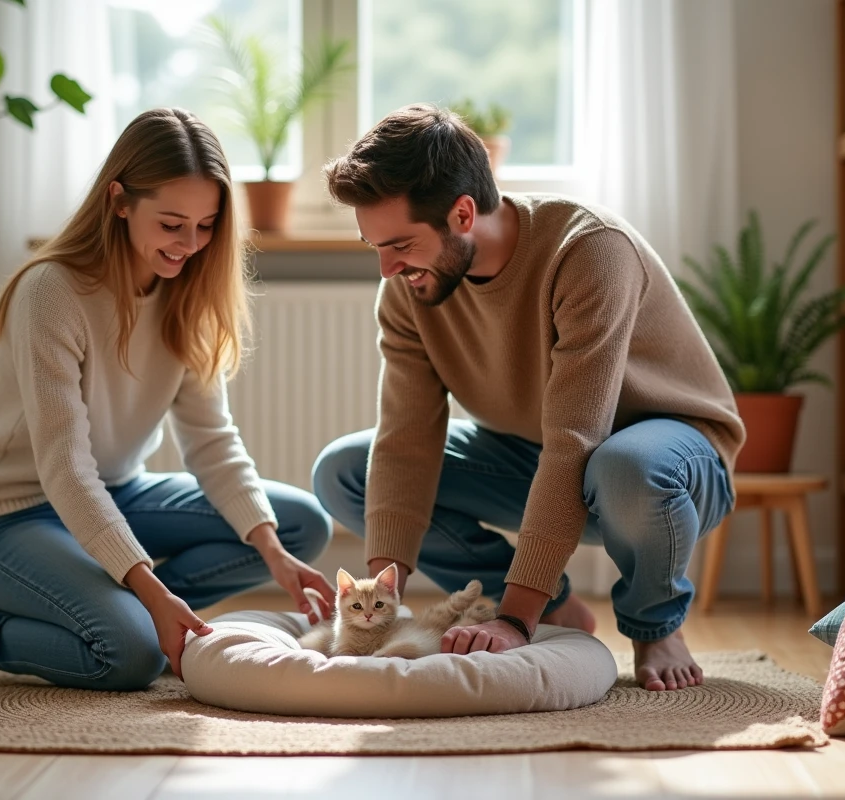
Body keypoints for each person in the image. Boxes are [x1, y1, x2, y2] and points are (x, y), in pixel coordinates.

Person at [311, 104, 744, 691]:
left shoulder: (589, 250)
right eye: (375, 247)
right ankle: (556, 605)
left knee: (624, 466)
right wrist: (380, 608)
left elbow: (577, 442)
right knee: (344, 470)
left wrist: (517, 618)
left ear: (462, 213)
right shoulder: (409, 289)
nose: (388, 268)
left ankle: (655, 624)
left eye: (401, 244)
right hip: (533, 452)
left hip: (667, 464)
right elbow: (404, 440)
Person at [0, 108, 334, 688]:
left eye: (206, 225)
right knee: (129, 656)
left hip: (118, 491)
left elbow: (212, 442)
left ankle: (143, 612)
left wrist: (274, 555)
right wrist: (148, 584)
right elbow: (65, 469)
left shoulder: (184, 294)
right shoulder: (52, 292)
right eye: (171, 224)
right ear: (119, 201)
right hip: (10, 513)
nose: (190, 245)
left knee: (297, 525)